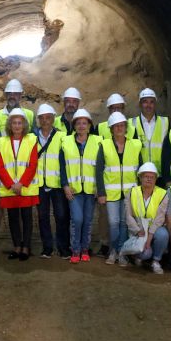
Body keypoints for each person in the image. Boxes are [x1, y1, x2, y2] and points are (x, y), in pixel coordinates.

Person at [0, 79, 34, 253]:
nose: (12, 96)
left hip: (23, 173)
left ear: (20, 95)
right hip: (3, 169)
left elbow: (32, 141)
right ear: (6, 95)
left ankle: (24, 245)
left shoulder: (29, 115)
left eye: (16, 94)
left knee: (25, 212)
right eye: (10, 94)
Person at [97, 112, 142, 267]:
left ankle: (121, 253)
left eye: (122, 125)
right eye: (116, 126)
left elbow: (140, 170)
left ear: (126, 128)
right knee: (113, 222)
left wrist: (140, 192)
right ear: (111, 129)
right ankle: (113, 251)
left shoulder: (135, 145)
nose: (119, 128)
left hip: (130, 193)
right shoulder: (104, 145)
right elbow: (98, 171)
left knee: (124, 223)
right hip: (111, 193)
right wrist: (101, 192)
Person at [0, 108, 39, 261]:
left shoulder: (31, 140)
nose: (17, 126)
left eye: (20, 123)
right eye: (14, 122)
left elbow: (33, 164)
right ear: (9, 125)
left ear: (24, 125)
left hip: (25, 188)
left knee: (27, 218)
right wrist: (11, 184)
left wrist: (21, 184)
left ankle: (26, 247)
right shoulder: (2, 142)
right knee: (13, 219)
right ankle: (16, 247)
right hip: (10, 189)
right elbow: (0, 166)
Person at [60, 108, 102, 263]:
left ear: (90, 125)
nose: (82, 126)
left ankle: (85, 248)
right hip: (74, 190)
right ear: (74, 125)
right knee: (77, 220)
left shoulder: (98, 142)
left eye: (85, 123)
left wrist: (99, 186)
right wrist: (65, 186)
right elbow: (62, 166)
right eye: (78, 123)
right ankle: (75, 249)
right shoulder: (66, 142)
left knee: (88, 220)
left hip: (91, 190)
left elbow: (101, 167)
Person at [95, 93, 134, 257]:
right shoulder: (101, 128)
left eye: (119, 107)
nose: (117, 110)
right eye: (114, 108)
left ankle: (123, 250)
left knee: (125, 222)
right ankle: (108, 246)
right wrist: (101, 190)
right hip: (110, 187)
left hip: (128, 188)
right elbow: (99, 165)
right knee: (110, 220)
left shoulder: (132, 133)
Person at [34, 104, 69, 259]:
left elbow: (65, 162)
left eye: (48, 117)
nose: (45, 120)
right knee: (42, 217)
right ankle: (47, 247)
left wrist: (65, 183)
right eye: (42, 117)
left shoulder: (62, 137)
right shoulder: (32, 137)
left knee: (61, 216)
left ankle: (63, 247)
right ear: (38, 120)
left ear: (54, 119)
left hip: (57, 185)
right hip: (39, 184)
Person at [125, 162, 170, 274]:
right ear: (140, 178)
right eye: (146, 176)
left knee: (163, 234)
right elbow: (128, 215)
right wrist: (137, 230)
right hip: (137, 229)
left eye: (152, 177)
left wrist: (149, 238)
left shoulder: (163, 194)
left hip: (154, 229)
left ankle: (156, 261)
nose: (149, 179)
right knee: (145, 254)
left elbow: (160, 218)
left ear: (156, 179)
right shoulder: (132, 192)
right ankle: (137, 256)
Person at [130, 88, 169, 174]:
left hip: (160, 174)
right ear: (140, 104)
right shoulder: (131, 124)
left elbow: (169, 151)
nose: (148, 105)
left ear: (155, 104)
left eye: (152, 102)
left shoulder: (165, 122)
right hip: (140, 173)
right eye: (145, 102)